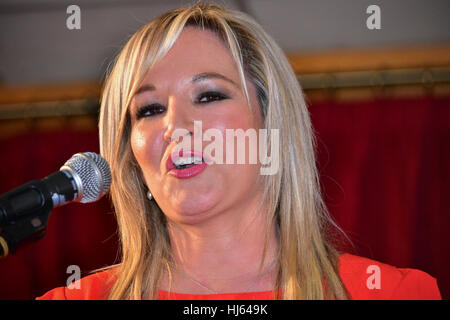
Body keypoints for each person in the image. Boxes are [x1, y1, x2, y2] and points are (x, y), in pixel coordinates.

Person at [37, 2, 440, 300]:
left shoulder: (394, 293)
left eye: (209, 95)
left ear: (271, 126)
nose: (174, 126)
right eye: (150, 109)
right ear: (130, 156)